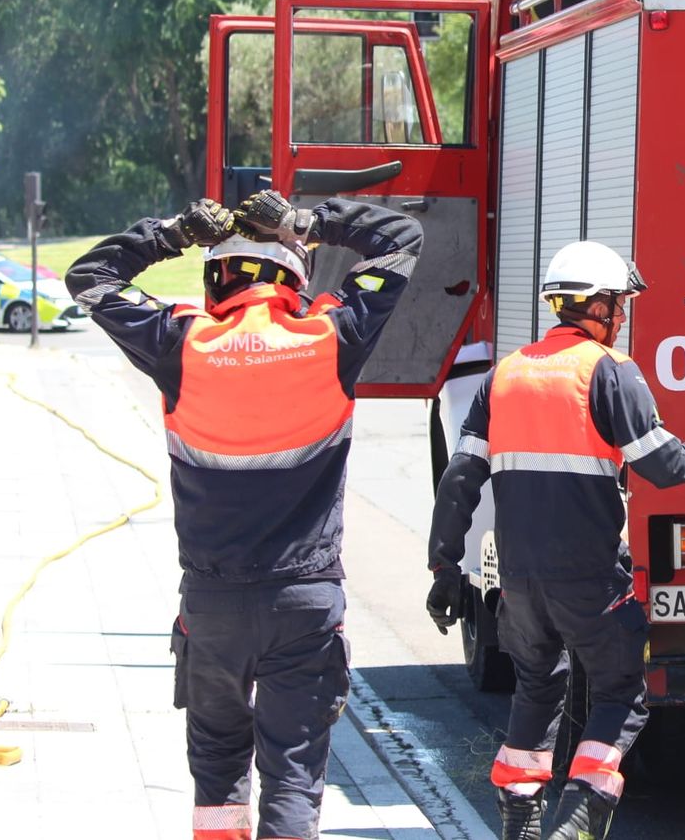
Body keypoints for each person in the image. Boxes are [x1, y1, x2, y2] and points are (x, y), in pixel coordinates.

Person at [65, 190, 421, 840]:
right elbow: (401, 239)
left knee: (219, 780)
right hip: (305, 601)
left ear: (215, 279)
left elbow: (90, 277)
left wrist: (171, 232)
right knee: (291, 776)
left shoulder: (181, 341)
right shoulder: (330, 336)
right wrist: (308, 222)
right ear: (295, 276)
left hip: (214, 606)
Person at [426, 240, 685, 840]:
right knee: (622, 693)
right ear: (590, 306)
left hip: (518, 583)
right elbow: (667, 468)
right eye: (616, 305)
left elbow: (460, 479)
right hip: (590, 579)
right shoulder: (609, 372)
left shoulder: (505, 374)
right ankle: (574, 823)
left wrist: (445, 567)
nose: (620, 317)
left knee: (537, 692)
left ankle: (520, 825)